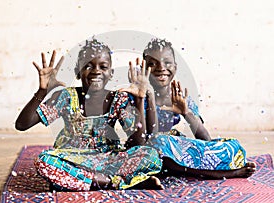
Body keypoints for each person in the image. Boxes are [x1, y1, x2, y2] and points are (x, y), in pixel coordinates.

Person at [15, 39, 163, 191]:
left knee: (150, 155)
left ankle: (79, 180)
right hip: (72, 159)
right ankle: (115, 183)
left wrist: (140, 100)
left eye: (103, 66)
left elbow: (138, 143)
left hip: (107, 159)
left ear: (110, 73)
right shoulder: (65, 97)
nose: (96, 71)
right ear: (78, 73)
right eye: (88, 66)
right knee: (44, 161)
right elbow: (22, 124)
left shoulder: (118, 99)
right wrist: (43, 90)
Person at [128, 38, 256, 179]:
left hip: (172, 149)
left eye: (167, 62)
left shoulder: (180, 97)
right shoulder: (136, 96)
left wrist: (186, 112)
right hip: (147, 153)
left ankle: (181, 169)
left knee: (232, 146)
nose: (161, 68)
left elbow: (206, 139)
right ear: (144, 69)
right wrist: (150, 97)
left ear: (175, 67)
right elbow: (149, 138)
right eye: (152, 64)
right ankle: (223, 174)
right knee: (158, 144)